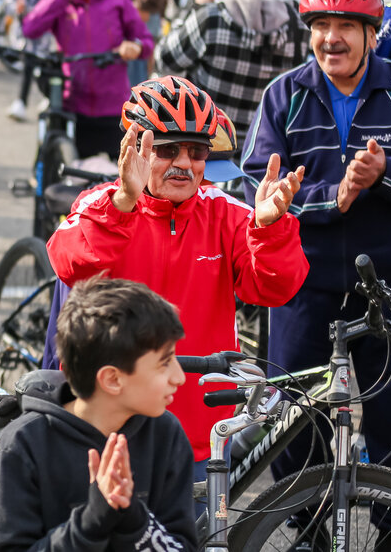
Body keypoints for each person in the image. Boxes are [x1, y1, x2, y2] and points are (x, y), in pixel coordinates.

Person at [48, 76, 308, 469]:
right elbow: (71, 264)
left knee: (197, 533)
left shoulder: (227, 213)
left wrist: (269, 230)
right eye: (168, 150)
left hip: (198, 435)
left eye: (197, 152)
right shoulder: (100, 204)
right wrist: (123, 203)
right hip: (105, 430)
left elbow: (274, 289)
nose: (185, 164)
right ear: (135, 149)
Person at [241, 0, 391, 488]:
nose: (331, 37)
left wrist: (385, 176)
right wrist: (327, 199)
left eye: (346, 26)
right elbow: (255, 185)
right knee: (293, 414)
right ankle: (301, 524)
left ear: (371, 35)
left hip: (388, 283)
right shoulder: (283, 94)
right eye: (321, 25)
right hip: (301, 284)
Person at [0, 277, 196, 552]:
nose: (179, 377)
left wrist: (134, 518)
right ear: (112, 379)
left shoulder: (166, 434)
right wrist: (91, 521)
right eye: (165, 363)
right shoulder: (24, 444)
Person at [155, 0, 309, 138]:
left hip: (209, 144)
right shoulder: (296, 22)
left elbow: (164, 60)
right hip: (267, 148)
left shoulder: (210, 18)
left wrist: (194, 7)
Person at [21, 0, 152, 160]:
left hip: (114, 108)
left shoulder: (117, 0)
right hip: (73, 106)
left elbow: (146, 41)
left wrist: (136, 47)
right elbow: (30, 29)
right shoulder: (59, 2)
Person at [4, 0, 56, 123]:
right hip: (25, 38)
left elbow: (48, 6)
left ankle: (48, 97)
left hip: (41, 36)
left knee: (42, 70)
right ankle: (21, 102)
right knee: (28, 69)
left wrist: (31, 10)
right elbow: (8, 4)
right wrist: (15, 8)